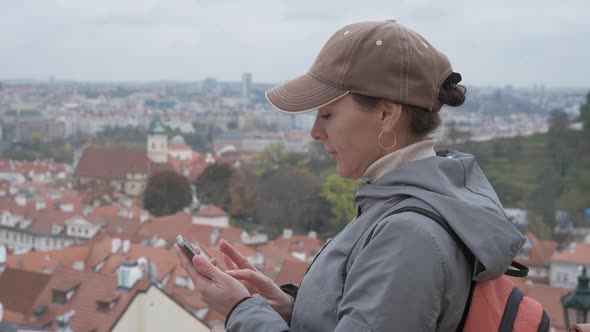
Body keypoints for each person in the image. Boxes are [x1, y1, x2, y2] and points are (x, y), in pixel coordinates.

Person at [175, 19, 525, 331]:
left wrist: (241, 311)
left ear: (387, 115)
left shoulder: (408, 236)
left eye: (327, 115)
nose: (314, 132)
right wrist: (290, 311)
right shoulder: (412, 203)